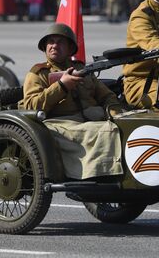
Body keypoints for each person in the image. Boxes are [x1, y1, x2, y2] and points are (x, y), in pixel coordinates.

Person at [19, 23, 124, 180]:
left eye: (60, 42)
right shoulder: (38, 73)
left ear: (70, 48)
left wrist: (115, 112)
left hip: (90, 118)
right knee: (105, 132)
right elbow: (31, 106)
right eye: (51, 42)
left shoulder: (82, 70)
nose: (54, 46)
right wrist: (62, 85)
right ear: (45, 46)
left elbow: (106, 95)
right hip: (60, 123)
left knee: (127, 126)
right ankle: (100, 178)